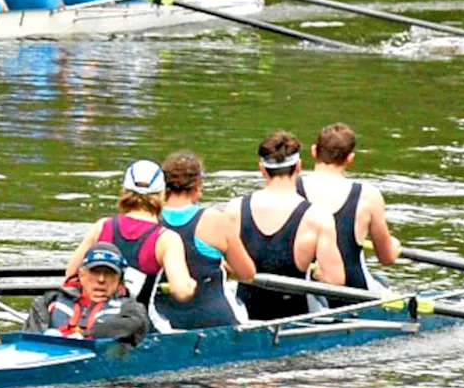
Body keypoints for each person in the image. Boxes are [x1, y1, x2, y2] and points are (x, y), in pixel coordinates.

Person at [224, 130, 344, 321]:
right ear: (298, 167)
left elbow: (226, 267)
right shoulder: (318, 218)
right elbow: (335, 280)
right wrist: (316, 271)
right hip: (295, 319)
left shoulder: (233, 210)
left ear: (262, 170)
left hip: (245, 319)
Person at [149, 150, 256, 331]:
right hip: (215, 319)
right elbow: (247, 273)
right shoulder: (215, 220)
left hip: (161, 322)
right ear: (198, 184)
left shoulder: (149, 219)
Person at [66, 159, 196, 306]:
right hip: (139, 321)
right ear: (162, 194)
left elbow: (71, 274)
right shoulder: (166, 239)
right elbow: (182, 292)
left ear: (124, 191)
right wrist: (190, 284)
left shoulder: (102, 226)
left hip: (96, 318)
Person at [297, 123, 400, 290]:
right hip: (352, 294)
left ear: (314, 151)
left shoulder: (290, 189)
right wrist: (394, 246)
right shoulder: (368, 196)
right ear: (350, 159)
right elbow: (386, 258)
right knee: (381, 283)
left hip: (298, 290)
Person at [24, 242, 150, 344]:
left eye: (109, 274)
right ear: (82, 274)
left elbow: (132, 326)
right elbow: (29, 340)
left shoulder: (131, 309)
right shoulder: (49, 302)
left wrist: (84, 336)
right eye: (95, 272)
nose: (101, 280)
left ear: (119, 280)